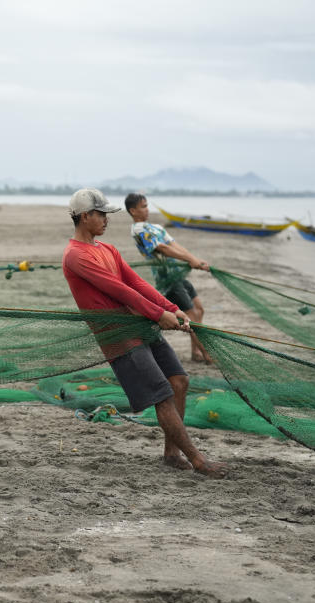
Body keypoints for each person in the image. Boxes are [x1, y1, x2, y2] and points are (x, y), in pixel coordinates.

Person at [61, 188, 227, 478]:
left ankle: (171, 454)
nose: (106, 220)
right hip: (118, 336)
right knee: (162, 395)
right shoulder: (76, 256)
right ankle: (198, 460)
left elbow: (136, 282)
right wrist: (158, 314)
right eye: (101, 215)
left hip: (139, 325)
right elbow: (119, 290)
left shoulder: (107, 250)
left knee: (179, 381)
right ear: (85, 216)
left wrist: (171, 308)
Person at [125, 193, 212, 362]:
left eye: (147, 205)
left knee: (199, 310)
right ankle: (208, 356)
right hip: (168, 280)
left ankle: (196, 353)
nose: (147, 209)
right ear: (133, 211)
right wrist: (190, 260)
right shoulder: (138, 230)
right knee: (192, 317)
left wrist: (196, 260)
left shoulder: (156, 227)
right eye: (143, 207)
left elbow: (175, 245)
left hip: (178, 276)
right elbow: (163, 248)